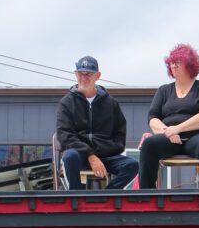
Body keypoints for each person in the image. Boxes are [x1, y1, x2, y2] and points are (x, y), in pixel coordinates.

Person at [138, 42, 199, 190]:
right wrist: (167, 131)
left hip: (197, 137)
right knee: (149, 145)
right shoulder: (163, 90)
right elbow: (153, 118)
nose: (173, 66)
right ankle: (146, 197)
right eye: (171, 63)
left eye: (178, 62)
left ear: (190, 65)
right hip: (169, 139)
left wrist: (177, 128)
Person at [56, 55, 138, 191]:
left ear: (98, 75)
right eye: (80, 73)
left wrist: (108, 150)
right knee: (69, 156)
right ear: (76, 75)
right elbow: (65, 136)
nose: (84, 77)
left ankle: (106, 196)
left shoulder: (111, 103)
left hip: (105, 156)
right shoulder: (66, 103)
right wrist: (90, 155)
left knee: (133, 165)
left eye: (89, 74)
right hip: (79, 156)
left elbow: (120, 132)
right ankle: (76, 198)